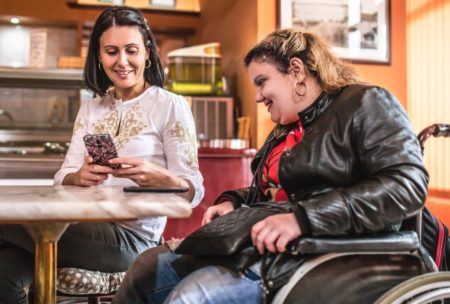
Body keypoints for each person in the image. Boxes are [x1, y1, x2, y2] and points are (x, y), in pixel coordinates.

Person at [112, 28, 428, 303]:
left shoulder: (366, 103)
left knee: (193, 296)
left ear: (296, 70)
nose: (258, 96)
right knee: (147, 268)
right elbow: (274, 192)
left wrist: (303, 219)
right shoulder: (286, 129)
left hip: (329, 252)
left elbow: (406, 186)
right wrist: (235, 202)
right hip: (270, 244)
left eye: (262, 82)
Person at [0, 6, 203, 303]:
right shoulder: (91, 109)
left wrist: (160, 178)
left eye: (131, 50)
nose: (122, 61)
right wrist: (77, 176)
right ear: (98, 55)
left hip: (132, 239)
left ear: (147, 52)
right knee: (4, 271)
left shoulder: (170, 105)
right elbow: (61, 178)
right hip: (76, 224)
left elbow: (194, 190)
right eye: (111, 51)